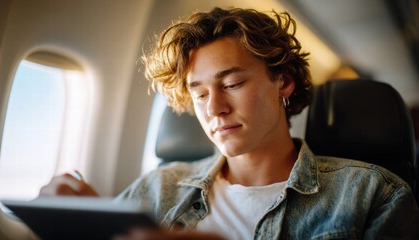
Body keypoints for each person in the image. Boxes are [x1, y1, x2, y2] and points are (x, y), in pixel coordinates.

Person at [40, 7, 419, 239]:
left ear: (283, 82)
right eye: (200, 94)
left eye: (233, 84)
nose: (215, 108)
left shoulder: (372, 195)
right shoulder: (157, 190)